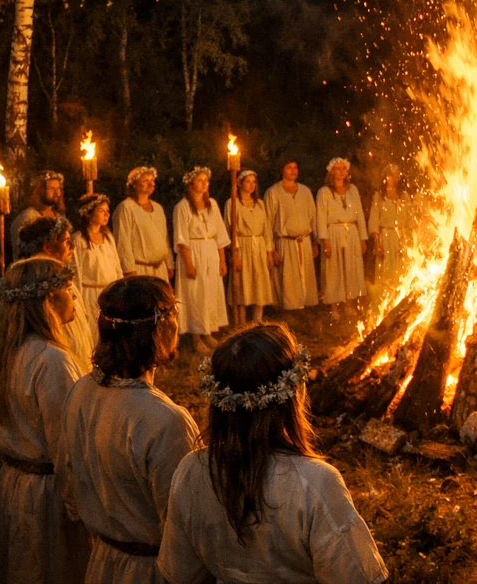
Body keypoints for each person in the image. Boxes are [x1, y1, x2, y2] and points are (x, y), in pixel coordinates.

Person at [157, 323, 389, 583]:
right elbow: (357, 577)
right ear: (293, 394)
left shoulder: (192, 470)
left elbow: (179, 573)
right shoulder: (316, 483)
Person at [58, 276, 200, 584]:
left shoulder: (81, 391)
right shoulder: (165, 421)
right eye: (172, 315)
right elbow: (185, 526)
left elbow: (69, 484)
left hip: (101, 563)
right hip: (153, 572)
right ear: (159, 329)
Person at [0, 257, 90, 584]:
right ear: (48, 300)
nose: (74, 300)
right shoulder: (51, 361)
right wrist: (80, 510)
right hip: (46, 498)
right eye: (68, 292)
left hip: (13, 484)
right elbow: (66, 447)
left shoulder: (0, 354)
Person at [19, 216, 96, 372]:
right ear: (48, 248)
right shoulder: (37, 289)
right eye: (66, 241)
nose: (72, 246)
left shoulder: (65, 281)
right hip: (59, 367)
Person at [173, 167, 230, 351]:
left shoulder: (212, 204)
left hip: (210, 251)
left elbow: (220, 234)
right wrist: (189, 263)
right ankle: (196, 336)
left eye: (206, 180)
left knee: (210, 292)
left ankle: (208, 332)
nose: (205, 183)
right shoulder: (182, 207)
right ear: (191, 184)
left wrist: (222, 260)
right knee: (195, 294)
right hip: (193, 252)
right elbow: (181, 238)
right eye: (200, 180)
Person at [264, 158, 320, 312]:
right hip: (285, 241)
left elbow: (313, 217)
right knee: (288, 278)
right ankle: (289, 311)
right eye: (289, 167)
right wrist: (271, 249)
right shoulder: (273, 192)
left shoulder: (305, 191)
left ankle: (305, 309)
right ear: (282, 170)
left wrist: (316, 241)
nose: (293, 171)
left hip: (304, 241)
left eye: (295, 167)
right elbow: (268, 222)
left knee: (305, 276)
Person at [316, 157, 368, 318]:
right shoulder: (324, 192)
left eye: (343, 169)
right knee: (334, 269)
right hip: (334, 233)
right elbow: (321, 218)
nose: (341, 172)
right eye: (337, 169)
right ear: (331, 172)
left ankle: (349, 304)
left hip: (351, 231)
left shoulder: (353, 190)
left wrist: (362, 238)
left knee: (351, 267)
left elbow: (359, 214)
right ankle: (334, 307)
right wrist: (325, 241)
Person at [225, 170, 274, 324]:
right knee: (243, 282)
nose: (251, 185)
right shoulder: (233, 203)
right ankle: (241, 320)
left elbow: (266, 228)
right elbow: (230, 229)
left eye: (254, 182)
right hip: (243, 246)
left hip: (258, 245)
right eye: (248, 181)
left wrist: (269, 252)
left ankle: (257, 318)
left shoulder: (260, 203)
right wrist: (235, 254)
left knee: (259, 281)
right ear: (239, 183)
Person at [112, 166, 174, 281]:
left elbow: (164, 238)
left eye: (152, 180)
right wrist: (129, 270)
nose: (150, 184)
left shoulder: (158, 208)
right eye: (145, 181)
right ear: (134, 184)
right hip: (139, 270)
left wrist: (169, 262)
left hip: (160, 269)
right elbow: (123, 241)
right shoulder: (126, 207)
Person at [72, 193, 123, 329]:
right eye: (101, 211)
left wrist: (120, 290)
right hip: (90, 295)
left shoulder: (108, 238)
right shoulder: (79, 240)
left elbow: (117, 267)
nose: (106, 215)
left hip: (109, 293)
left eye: (107, 211)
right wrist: (80, 304)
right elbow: (76, 274)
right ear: (88, 214)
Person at [368, 163, 416, 297]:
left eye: (395, 175)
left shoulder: (404, 196)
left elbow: (410, 218)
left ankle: (399, 297)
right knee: (386, 271)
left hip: (401, 236)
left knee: (401, 269)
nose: (393, 178)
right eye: (390, 175)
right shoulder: (379, 197)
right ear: (385, 177)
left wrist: (412, 238)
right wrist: (377, 243)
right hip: (386, 237)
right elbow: (373, 221)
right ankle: (385, 299)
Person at [10, 169, 66, 259]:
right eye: (51, 188)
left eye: (58, 188)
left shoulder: (59, 217)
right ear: (40, 190)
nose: (56, 193)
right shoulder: (27, 217)